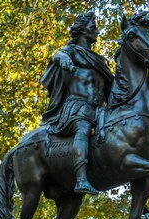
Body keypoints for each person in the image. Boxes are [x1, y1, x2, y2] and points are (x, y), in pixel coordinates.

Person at [40, 12, 113, 195]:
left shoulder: (100, 61)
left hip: (100, 110)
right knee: (83, 127)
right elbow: (58, 55)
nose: (96, 30)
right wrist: (63, 59)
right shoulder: (70, 52)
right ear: (82, 30)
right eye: (93, 26)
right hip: (77, 106)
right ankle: (81, 179)